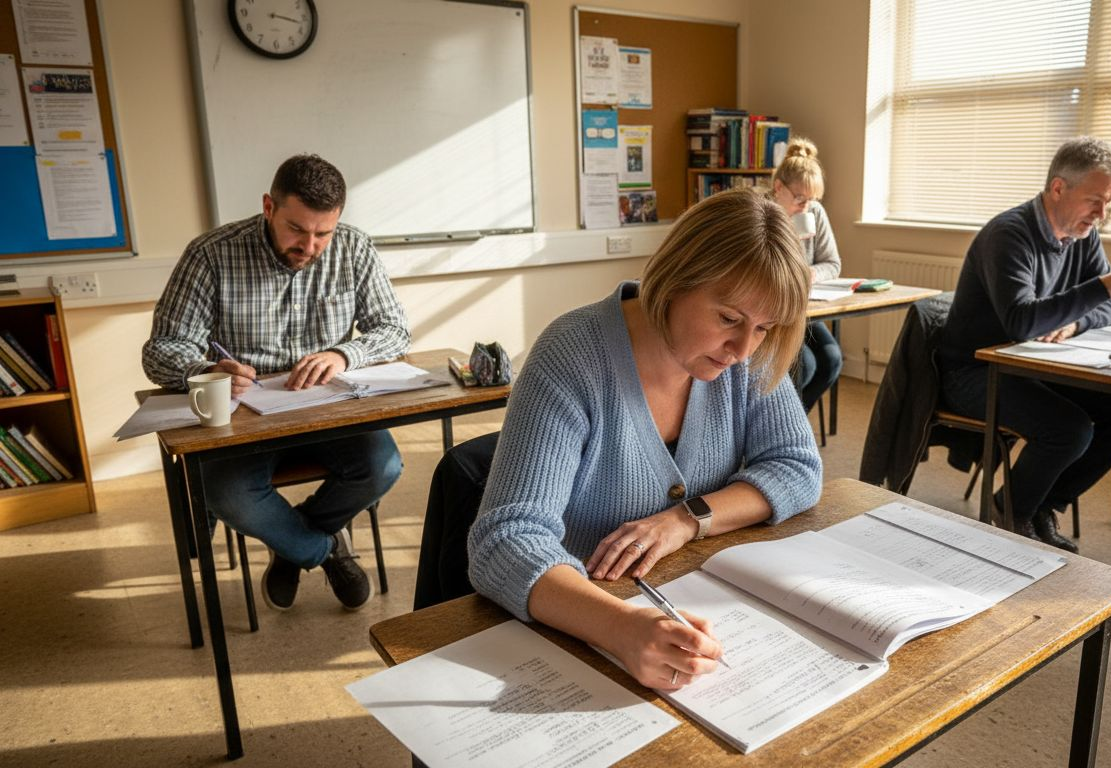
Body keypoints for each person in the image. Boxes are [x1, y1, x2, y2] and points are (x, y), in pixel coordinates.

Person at [466, 187, 823, 692]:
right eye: (728, 319)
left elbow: (796, 466)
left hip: (684, 607)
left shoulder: (745, 355)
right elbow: (505, 543)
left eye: (765, 328)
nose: (743, 350)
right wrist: (621, 627)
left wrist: (686, 518)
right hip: (575, 627)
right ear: (675, 280)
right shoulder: (573, 356)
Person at [142, 154, 410, 611]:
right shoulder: (211, 254)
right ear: (269, 206)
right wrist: (203, 370)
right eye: (297, 229)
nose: (310, 246)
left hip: (328, 409)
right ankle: (319, 549)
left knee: (382, 466)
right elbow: (161, 349)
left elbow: (395, 329)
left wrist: (343, 353)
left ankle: (290, 540)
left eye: (323, 232)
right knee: (226, 492)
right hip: (246, 418)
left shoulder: (354, 248)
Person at [937, 136, 1111, 552]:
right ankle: (1015, 508)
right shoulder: (1009, 234)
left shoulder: (1083, 236)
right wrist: (1106, 286)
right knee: (1070, 429)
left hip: (1037, 363)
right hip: (976, 370)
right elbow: (1023, 320)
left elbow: (1110, 309)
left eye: (1109, 202)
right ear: (1059, 189)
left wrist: (1075, 322)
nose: (1101, 215)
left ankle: (1041, 502)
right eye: (1095, 201)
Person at [771, 137, 843, 413]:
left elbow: (832, 263)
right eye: (800, 199)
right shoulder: (762, 213)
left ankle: (795, 421)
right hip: (773, 312)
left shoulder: (815, 212)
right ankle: (781, 426)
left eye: (811, 200)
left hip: (803, 309)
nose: (806, 207)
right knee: (805, 365)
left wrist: (809, 273)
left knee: (831, 359)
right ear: (779, 188)